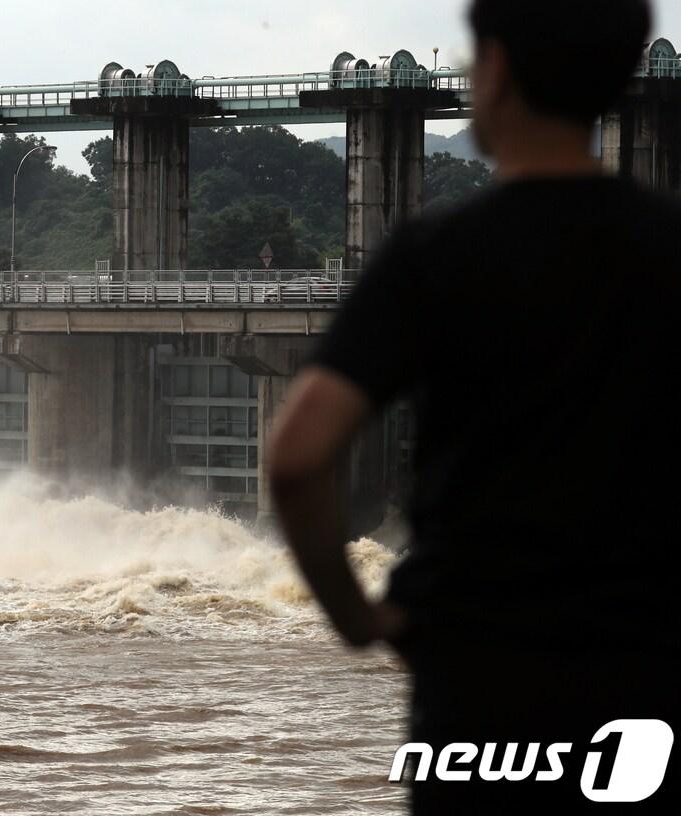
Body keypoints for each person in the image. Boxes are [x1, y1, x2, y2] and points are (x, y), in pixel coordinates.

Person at [267, 0, 678, 812]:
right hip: (650, 686)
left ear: (494, 70)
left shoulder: (437, 254)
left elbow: (298, 456)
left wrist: (356, 617)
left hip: (481, 691)